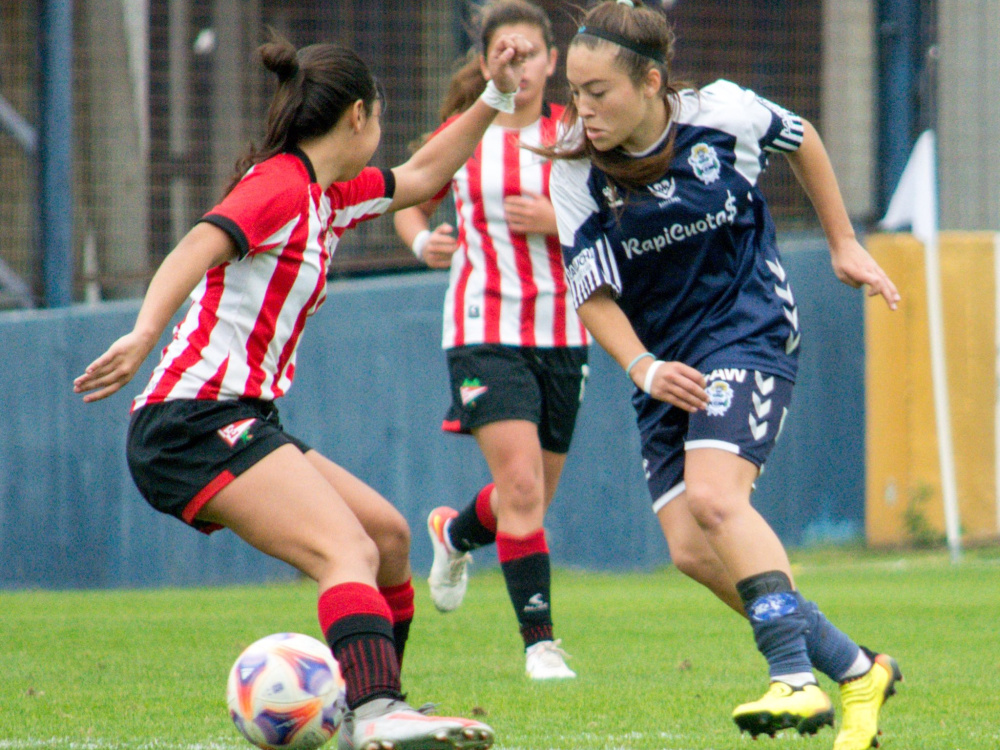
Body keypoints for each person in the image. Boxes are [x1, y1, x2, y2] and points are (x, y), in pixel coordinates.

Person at [73, 29, 533, 750]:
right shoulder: (279, 184)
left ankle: (370, 713)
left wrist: (495, 100)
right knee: (342, 549)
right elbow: (198, 242)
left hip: (240, 415)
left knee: (386, 538)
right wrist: (142, 334)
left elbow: (420, 177)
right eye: (379, 118)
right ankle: (379, 713)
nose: (382, 136)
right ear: (358, 116)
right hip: (191, 418)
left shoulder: (325, 197)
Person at [544, 1, 902, 748]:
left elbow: (802, 138)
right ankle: (857, 669)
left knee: (714, 498)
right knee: (692, 551)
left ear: (650, 81)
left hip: (749, 330)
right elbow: (593, 292)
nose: (583, 109)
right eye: (573, 91)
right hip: (663, 363)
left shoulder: (727, 114)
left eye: (597, 92)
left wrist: (843, 243)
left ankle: (794, 678)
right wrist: (643, 366)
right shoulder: (577, 167)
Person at [393, 0, 589, 681]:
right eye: (504, 53)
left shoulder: (578, 134)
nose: (519, 65)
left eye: (530, 53)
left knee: (522, 501)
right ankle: (540, 644)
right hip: (484, 329)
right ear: (484, 63)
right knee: (521, 484)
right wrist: (423, 240)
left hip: (566, 332)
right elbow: (409, 193)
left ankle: (454, 533)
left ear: (553, 61)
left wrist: (557, 222)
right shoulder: (464, 133)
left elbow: (622, 222)